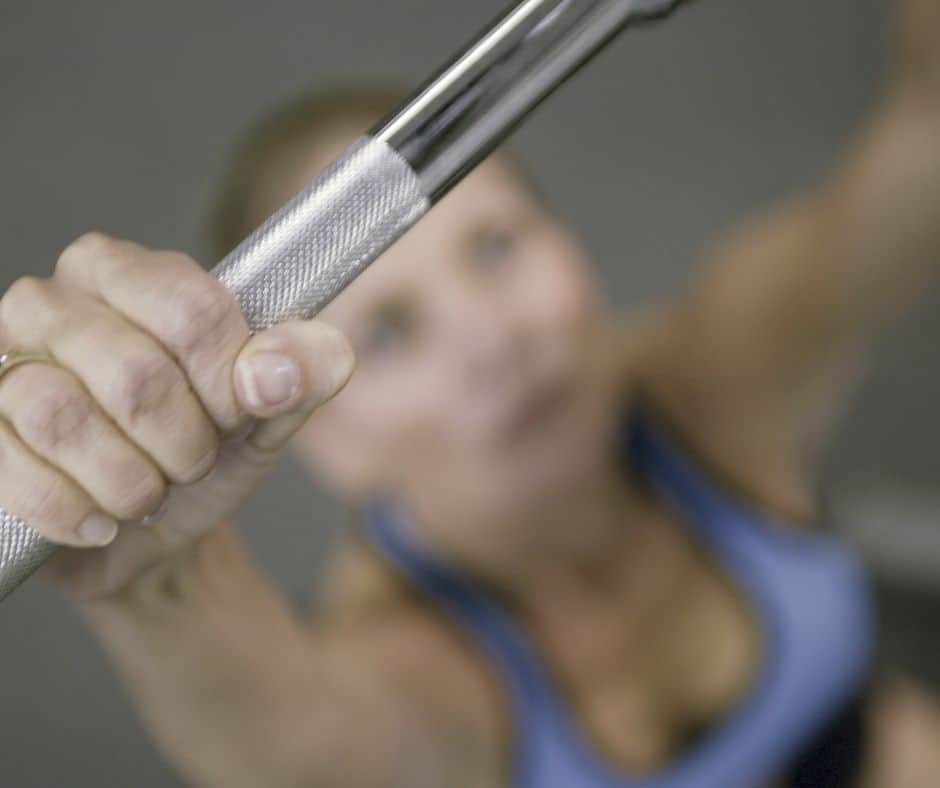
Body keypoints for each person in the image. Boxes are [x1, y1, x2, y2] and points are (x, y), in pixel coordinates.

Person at [2, 2, 940, 786]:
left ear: (569, 238)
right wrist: (159, 584)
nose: (495, 338)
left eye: (498, 246)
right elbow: (306, 758)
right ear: (324, 442)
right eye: (390, 331)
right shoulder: (410, 660)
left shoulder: (711, 386)